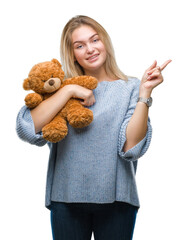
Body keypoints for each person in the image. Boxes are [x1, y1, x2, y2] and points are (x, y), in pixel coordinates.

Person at [16, 15, 171, 240]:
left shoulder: (130, 88)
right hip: (66, 197)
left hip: (117, 199)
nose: (90, 49)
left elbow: (131, 148)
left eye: (95, 40)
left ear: (105, 42)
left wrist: (144, 94)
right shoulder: (58, 88)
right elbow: (27, 128)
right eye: (80, 45)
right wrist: (68, 91)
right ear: (72, 54)